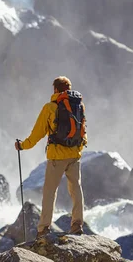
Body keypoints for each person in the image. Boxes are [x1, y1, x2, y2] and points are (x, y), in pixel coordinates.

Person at [15, 76, 87, 237]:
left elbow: (37, 134)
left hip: (57, 157)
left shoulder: (50, 108)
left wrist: (22, 146)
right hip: (75, 155)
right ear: (68, 89)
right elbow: (83, 132)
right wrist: (77, 151)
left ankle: (43, 229)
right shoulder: (79, 106)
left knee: (49, 191)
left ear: (55, 89)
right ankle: (77, 224)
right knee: (76, 189)